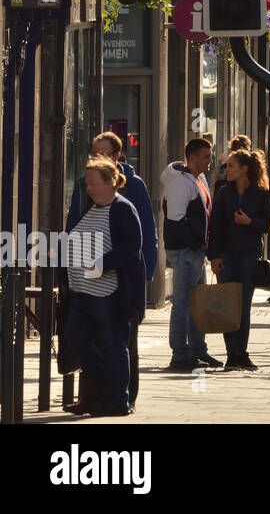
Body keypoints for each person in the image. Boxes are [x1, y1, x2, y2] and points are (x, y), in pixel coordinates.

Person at [68, 132, 156, 404]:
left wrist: (144, 276)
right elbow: (74, 230)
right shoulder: (87, 199)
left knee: (116, 344)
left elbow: (137, 244)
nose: (89, 187)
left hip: (112, 290)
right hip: (84, 289)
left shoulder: (126, 200)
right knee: (77, 337)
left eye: (101, 154)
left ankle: (118, 397)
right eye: (94, 153)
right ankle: (105, 388)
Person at [208, 150, 270, 370]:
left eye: (232, 166)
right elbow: (214, 226)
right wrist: (214, 256)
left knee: (243, 305)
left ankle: (241, 353)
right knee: (229, 305)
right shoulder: (223, 193)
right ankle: (231, 353)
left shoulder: (261, 194)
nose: (228, 170)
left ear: (244, 169)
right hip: (226, 255)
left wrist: (250, 222)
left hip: (248, 255)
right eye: (227, 166)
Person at [161, 138, 219, 372]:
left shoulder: (199, 178)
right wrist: (196, 241)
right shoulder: (180, 183)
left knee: (197, 304)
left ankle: (197, 349)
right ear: (193, 157)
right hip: (185, 251)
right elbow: (176, 219)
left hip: (195, 251)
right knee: (183, 304)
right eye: (206, 156)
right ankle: (180, 353)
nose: (210, 161)